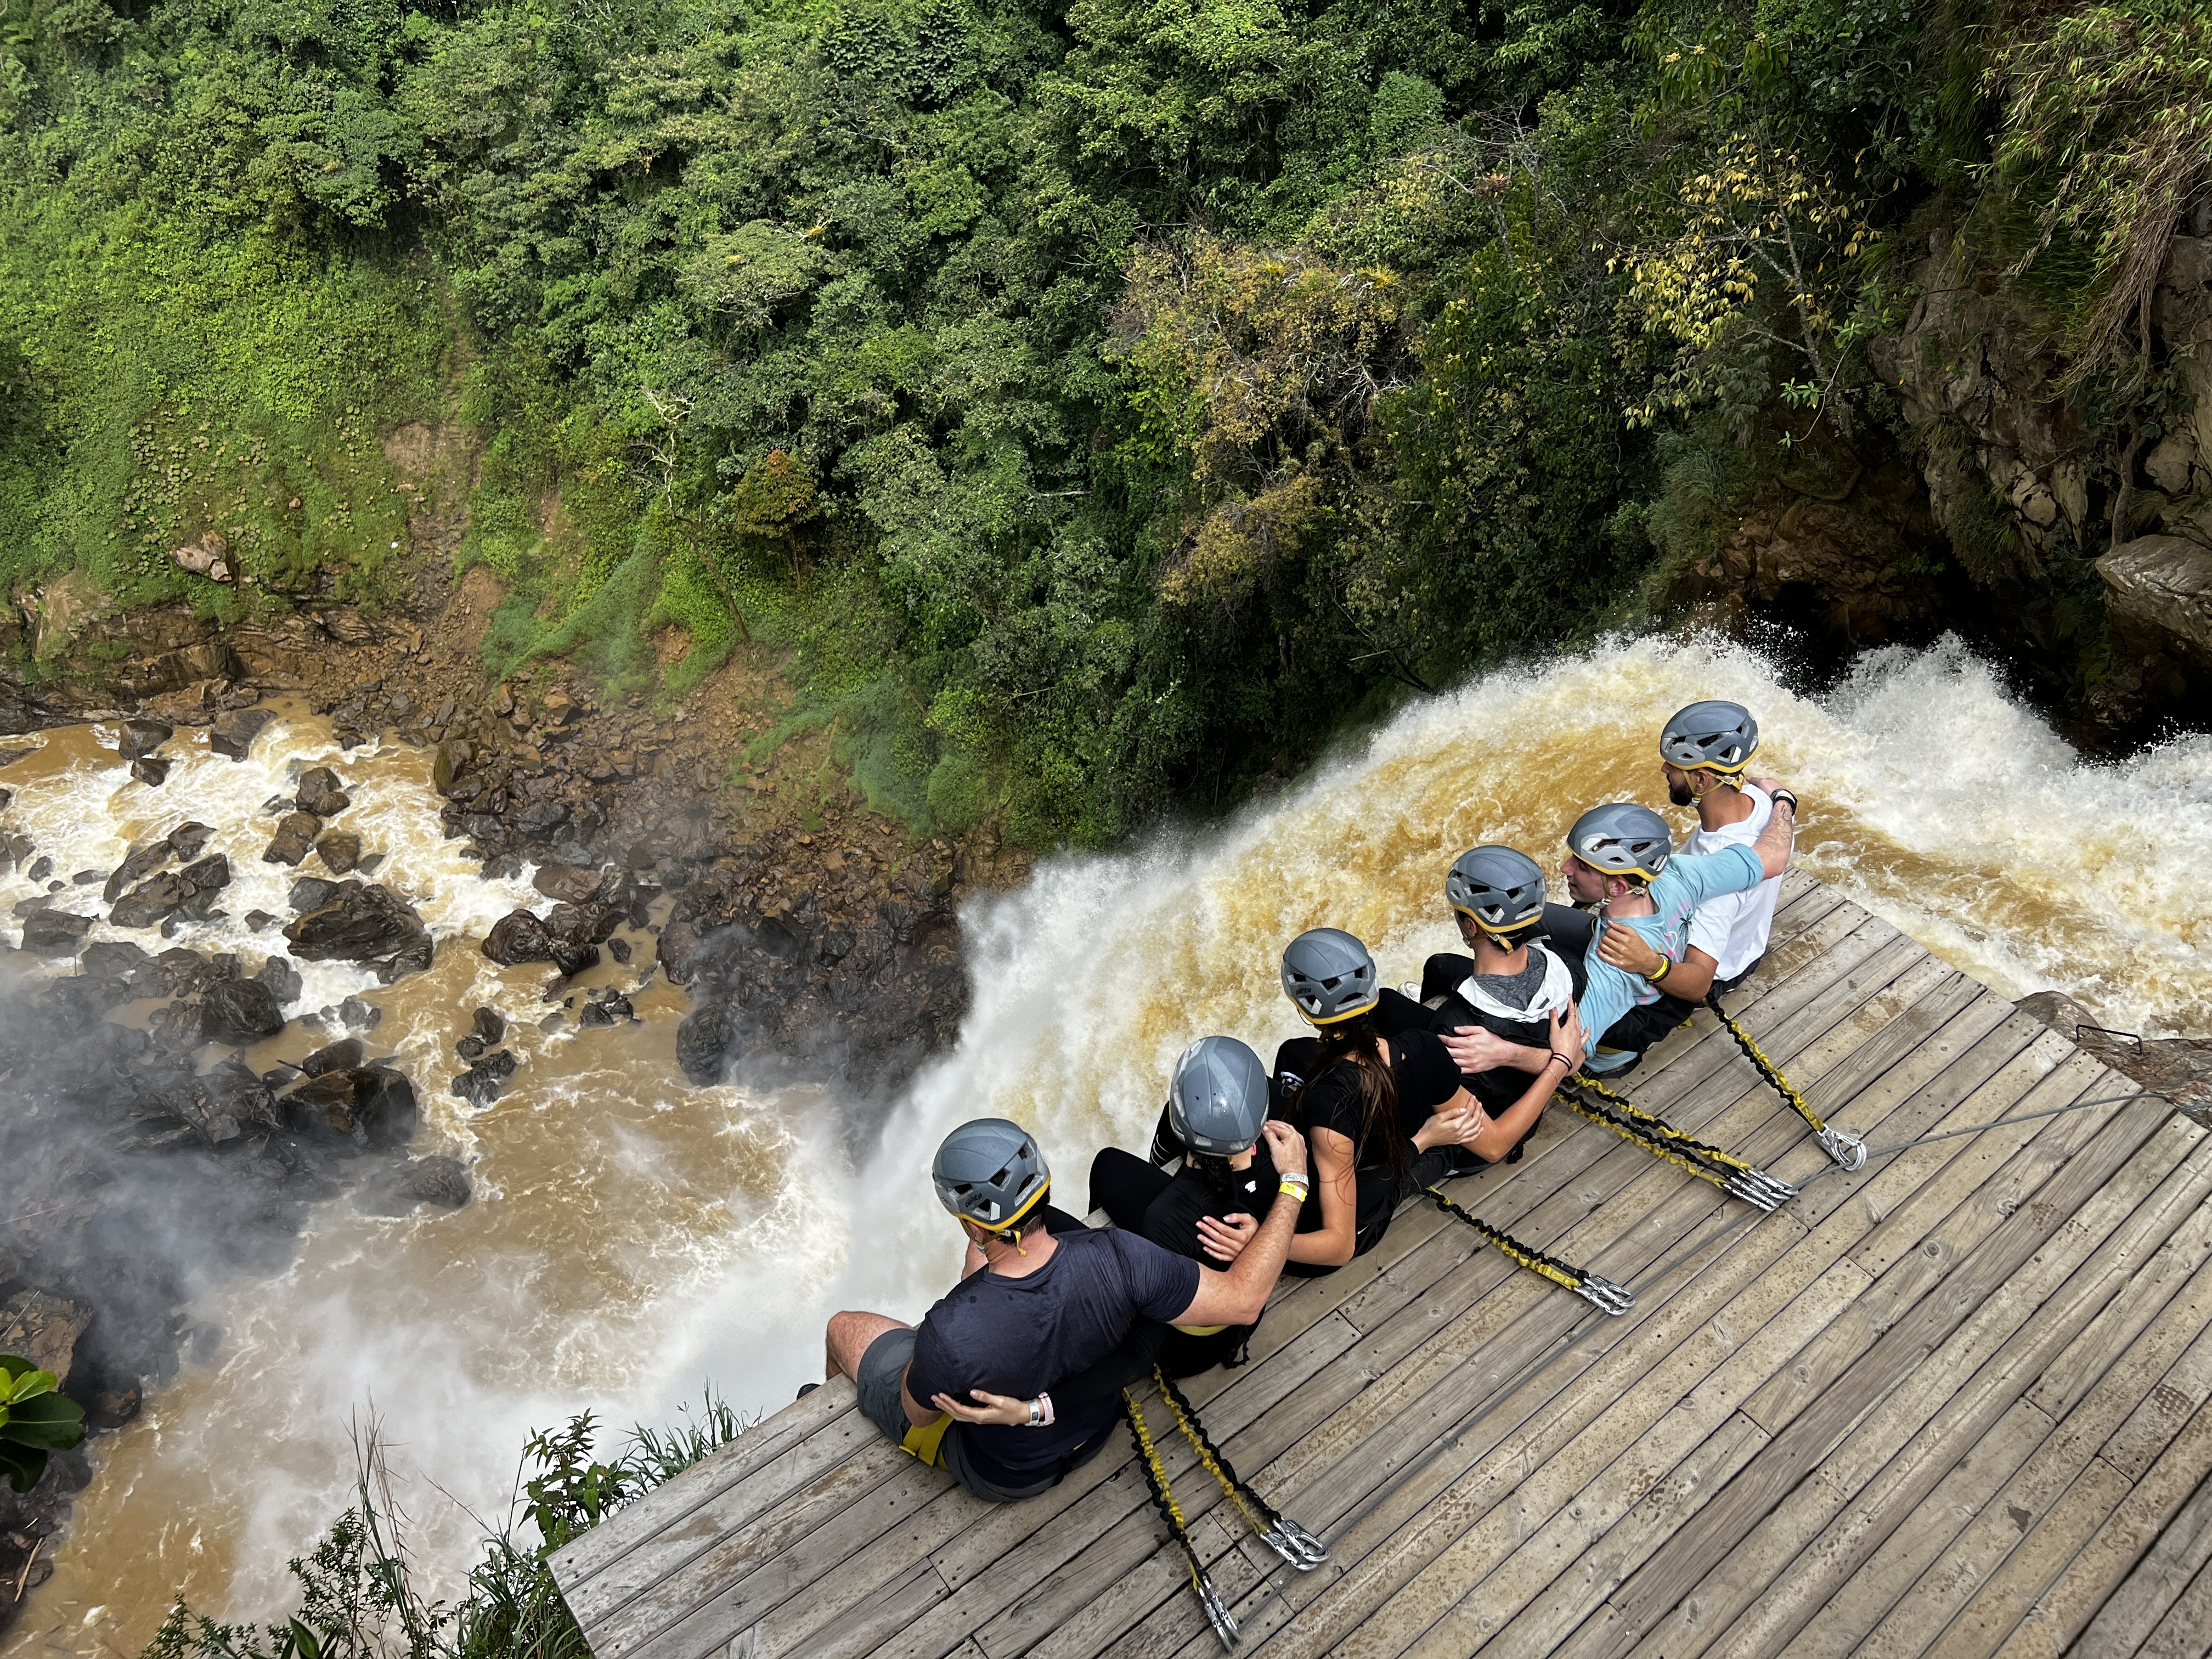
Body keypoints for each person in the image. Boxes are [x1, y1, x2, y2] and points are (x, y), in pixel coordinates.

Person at [822, 1114, 1310, 1502]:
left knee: (842, 1329)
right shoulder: (1123, 1256)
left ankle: (822, 1417)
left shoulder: (948, 1333)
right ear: (1043, 1186)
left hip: (1008, 1474)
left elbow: (921, 1413)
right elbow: (1245, 1301)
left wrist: (943, 1332)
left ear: (972, 1225)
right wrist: (1292, 1183)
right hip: (1094, 1430)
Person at [1270, 927, 1575, 1268]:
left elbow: (1339, 1245)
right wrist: (1557, 1064)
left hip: (1373, 1197)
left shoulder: (1326, 1100)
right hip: (1410, 1139)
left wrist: (1258, 1246)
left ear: (1303, 1004)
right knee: (1386, 1005)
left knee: (1292, 1056)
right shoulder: (1423, 1048)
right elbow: (1494, 1145)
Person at [1088, 1036, 1290, 1373]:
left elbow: (1139, 1342)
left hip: (1187, 1349)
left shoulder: (1168, 1216)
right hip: (1241, 1311)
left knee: (1107, 1166)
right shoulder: (1285, 1151)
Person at [1561, 792, 1797, 1075]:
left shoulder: (1611, 958)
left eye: (1582, 866)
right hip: (1651, 995)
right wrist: (1783, 800)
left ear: (1619, 888)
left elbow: (1570, 1057)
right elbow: (1772, 858)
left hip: (1607, 1054)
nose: (1565, 868)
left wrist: (1504, 1051)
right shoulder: (1679, 873)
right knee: (1538, 919)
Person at [1591, 700, 1786, 998]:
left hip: (1704, 974)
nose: (1664, 769)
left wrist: (1649, 964)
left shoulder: (1717, 877)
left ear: (1702, 779)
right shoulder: (1766, 805)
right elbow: (1769, 791)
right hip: (1744, 951)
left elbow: (1698, 982)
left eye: (1675, 766)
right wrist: (1782, 795)